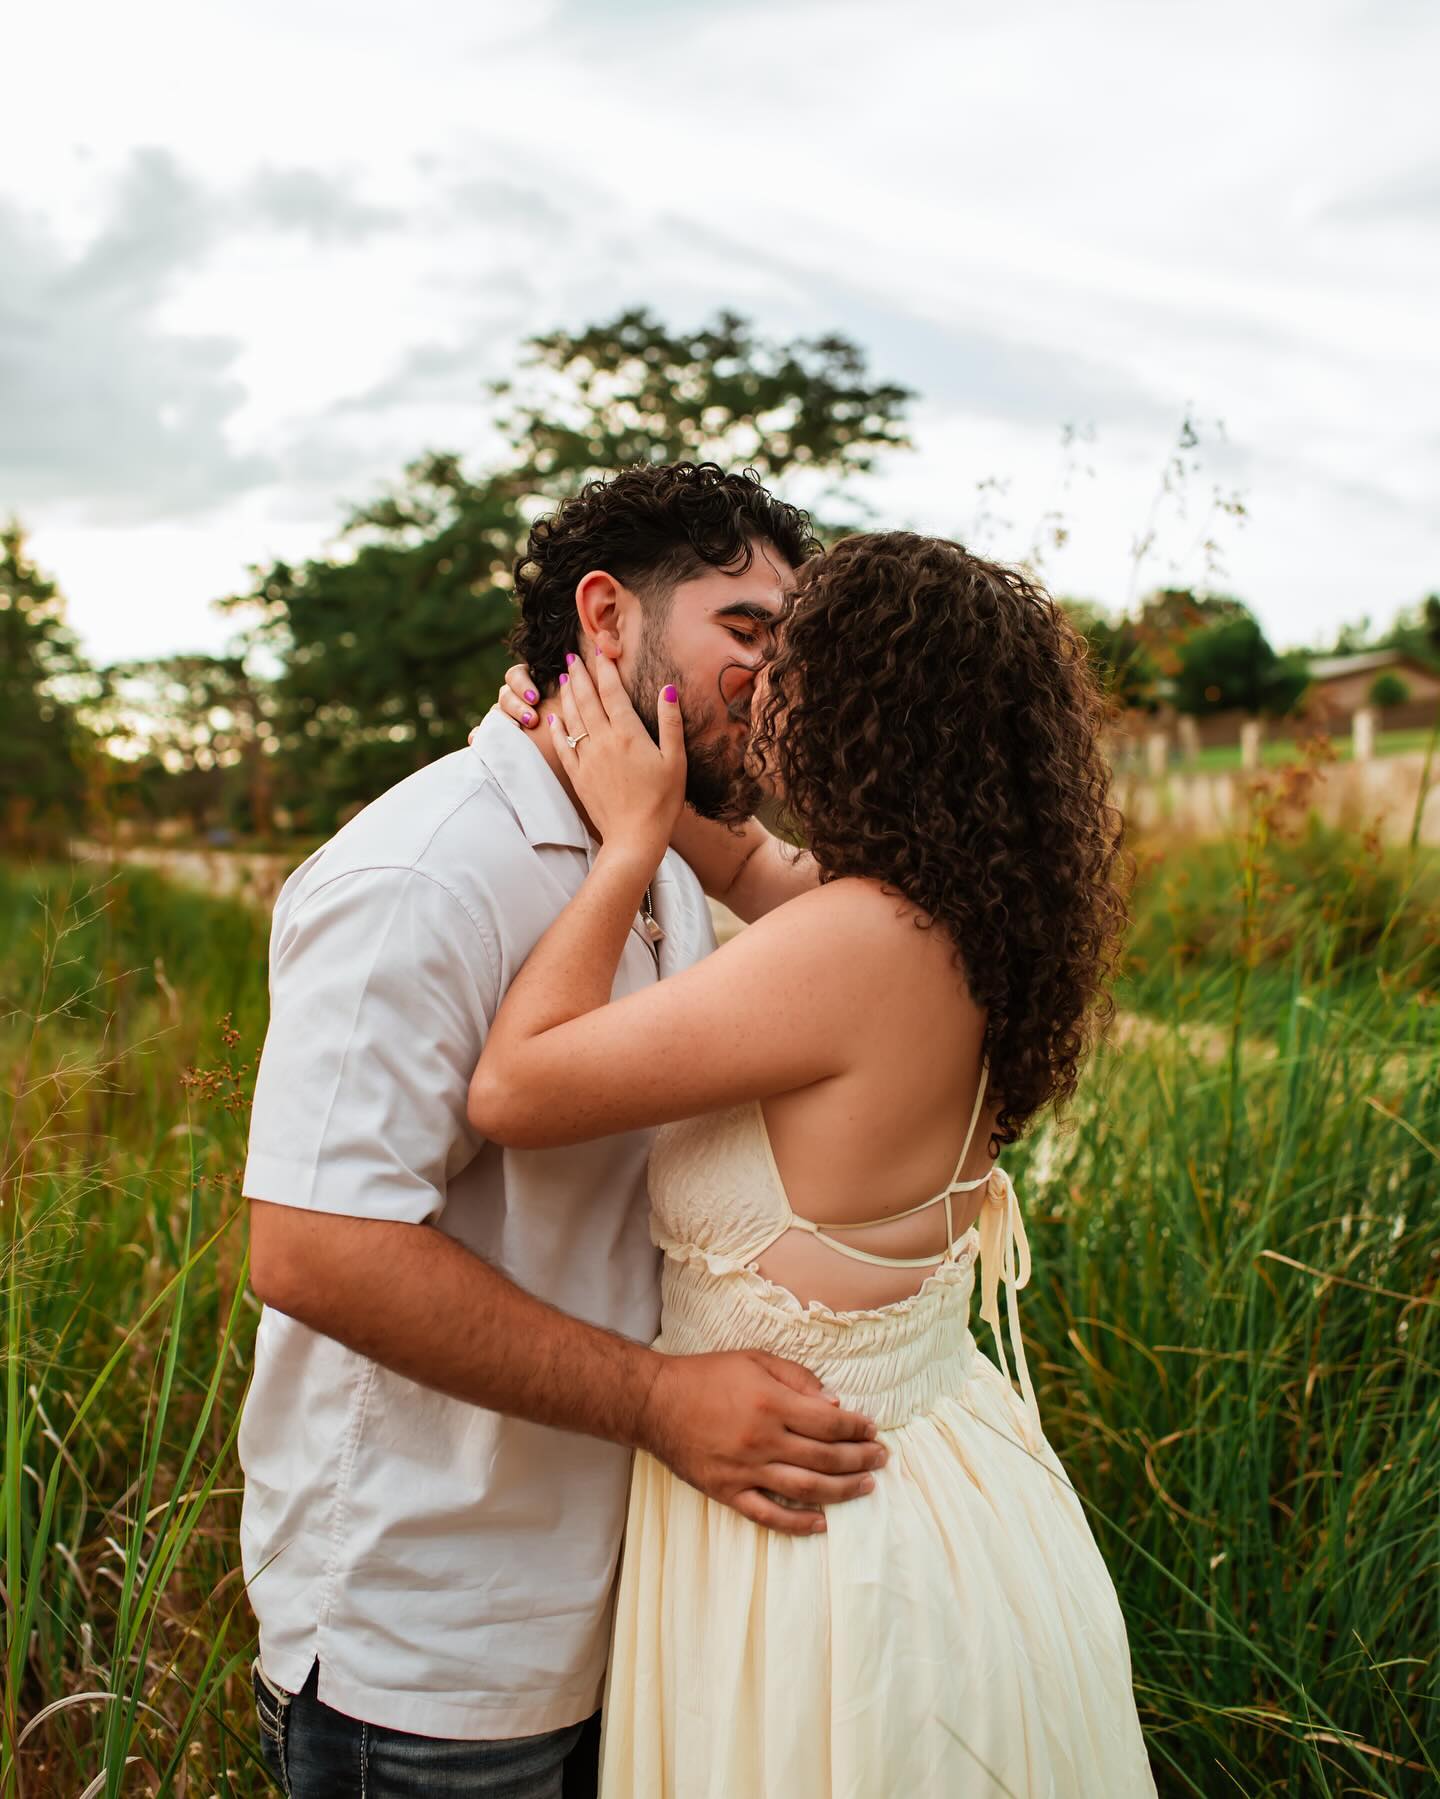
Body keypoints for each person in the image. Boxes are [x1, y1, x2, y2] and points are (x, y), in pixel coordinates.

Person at [238, 463, 890, 1799]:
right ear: (606, 618)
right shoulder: (420, 873)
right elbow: (314, 1248)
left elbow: (862, 899)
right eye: (748, 632)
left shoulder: (658, 845)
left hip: (631, 1614)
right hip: (431, 1660)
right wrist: (659, 1400)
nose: (779, 678)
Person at [478, 532, 1158, 1796]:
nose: (758, 691)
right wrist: (609, 737)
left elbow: (515, 1087)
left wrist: (626, 845)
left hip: (823, 1547)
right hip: (938, 1483)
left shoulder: (851, 944)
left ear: (865, 711)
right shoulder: (960, 912)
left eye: (789, 667)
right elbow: (742, 858)